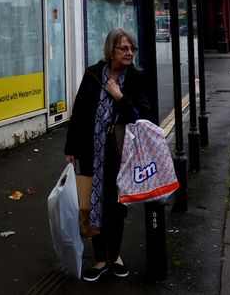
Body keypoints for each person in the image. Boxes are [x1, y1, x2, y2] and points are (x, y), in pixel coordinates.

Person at [64, 28, 151, 282]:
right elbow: (79, 114)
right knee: (93, 205)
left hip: (121, 154)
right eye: (123, 48)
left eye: (132, 48)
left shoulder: (135, 78)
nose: (129, 52)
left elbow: (143, 116)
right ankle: (100, 259)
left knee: (116, 207)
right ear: (110, 50)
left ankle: (115, 256)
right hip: (92, 153)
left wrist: (120, 97)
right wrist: (71, 149)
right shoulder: (92, 75)